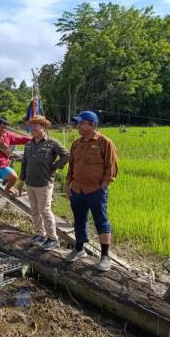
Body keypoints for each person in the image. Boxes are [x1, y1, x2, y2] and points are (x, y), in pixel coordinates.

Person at [65, 110, 118, 271]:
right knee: (79, 220)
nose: (78, 126)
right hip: (77, 189)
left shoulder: (105, 142)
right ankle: (79, 249)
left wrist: (103, 186)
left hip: (95, 190)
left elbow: (112, 167)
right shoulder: (76, 143)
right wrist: (68, 184)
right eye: (78, 123)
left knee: (101, 221)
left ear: (93, 124)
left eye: (81, 123)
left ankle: (105, 256)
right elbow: (72, 166)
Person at [18, 115, 69, 251]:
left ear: (43, 127)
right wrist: (21, 180)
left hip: (44, 183)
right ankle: (40, 234)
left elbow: (66, 155)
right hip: (30, 182)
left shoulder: (52, 143)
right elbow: (24, 163)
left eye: (36, 125)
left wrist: (55, 166)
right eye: (32, 125)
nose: (33, 127)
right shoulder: (29, 144)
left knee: (45, 211)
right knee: (34, 210)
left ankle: (53, 238)